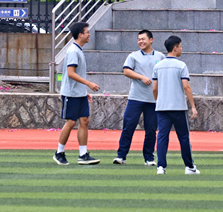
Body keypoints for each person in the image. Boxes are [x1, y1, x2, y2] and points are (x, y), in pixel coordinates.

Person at [113, 29, 165, 166]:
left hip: (153, 99)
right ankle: (121, 156)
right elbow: (126, 71)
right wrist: (141, 77)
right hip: (135, 98)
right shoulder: (133, 56)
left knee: (151, 130)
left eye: (143, 39)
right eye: (139, 39)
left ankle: (149, 158)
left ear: (151, 40)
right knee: (128, 126)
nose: (141, 42)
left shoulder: (160, 56)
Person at [53, 21, 101, 166]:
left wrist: (84, 91)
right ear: (80, 34)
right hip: (71, 94)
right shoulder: (73, 51)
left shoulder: (78, 50)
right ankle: (59, 152)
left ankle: (83, 154)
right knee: (71, 121)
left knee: (84, 121)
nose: (89, 35)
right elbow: (71, 73)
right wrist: (88, 84)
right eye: (87, 32)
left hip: (78, 93)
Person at [152, 35, 199, 176]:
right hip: (178, 107)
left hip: (162, 107)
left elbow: (154, 88)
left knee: (162, 137)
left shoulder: (158, 66)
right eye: (180, 46)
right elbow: (186, 86)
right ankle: (189, 166)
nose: (181, 48)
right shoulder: (181, 65)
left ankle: (161, 166)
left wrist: (158, 101)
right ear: (175, 48)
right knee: (183, 137)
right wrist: (193, 106)